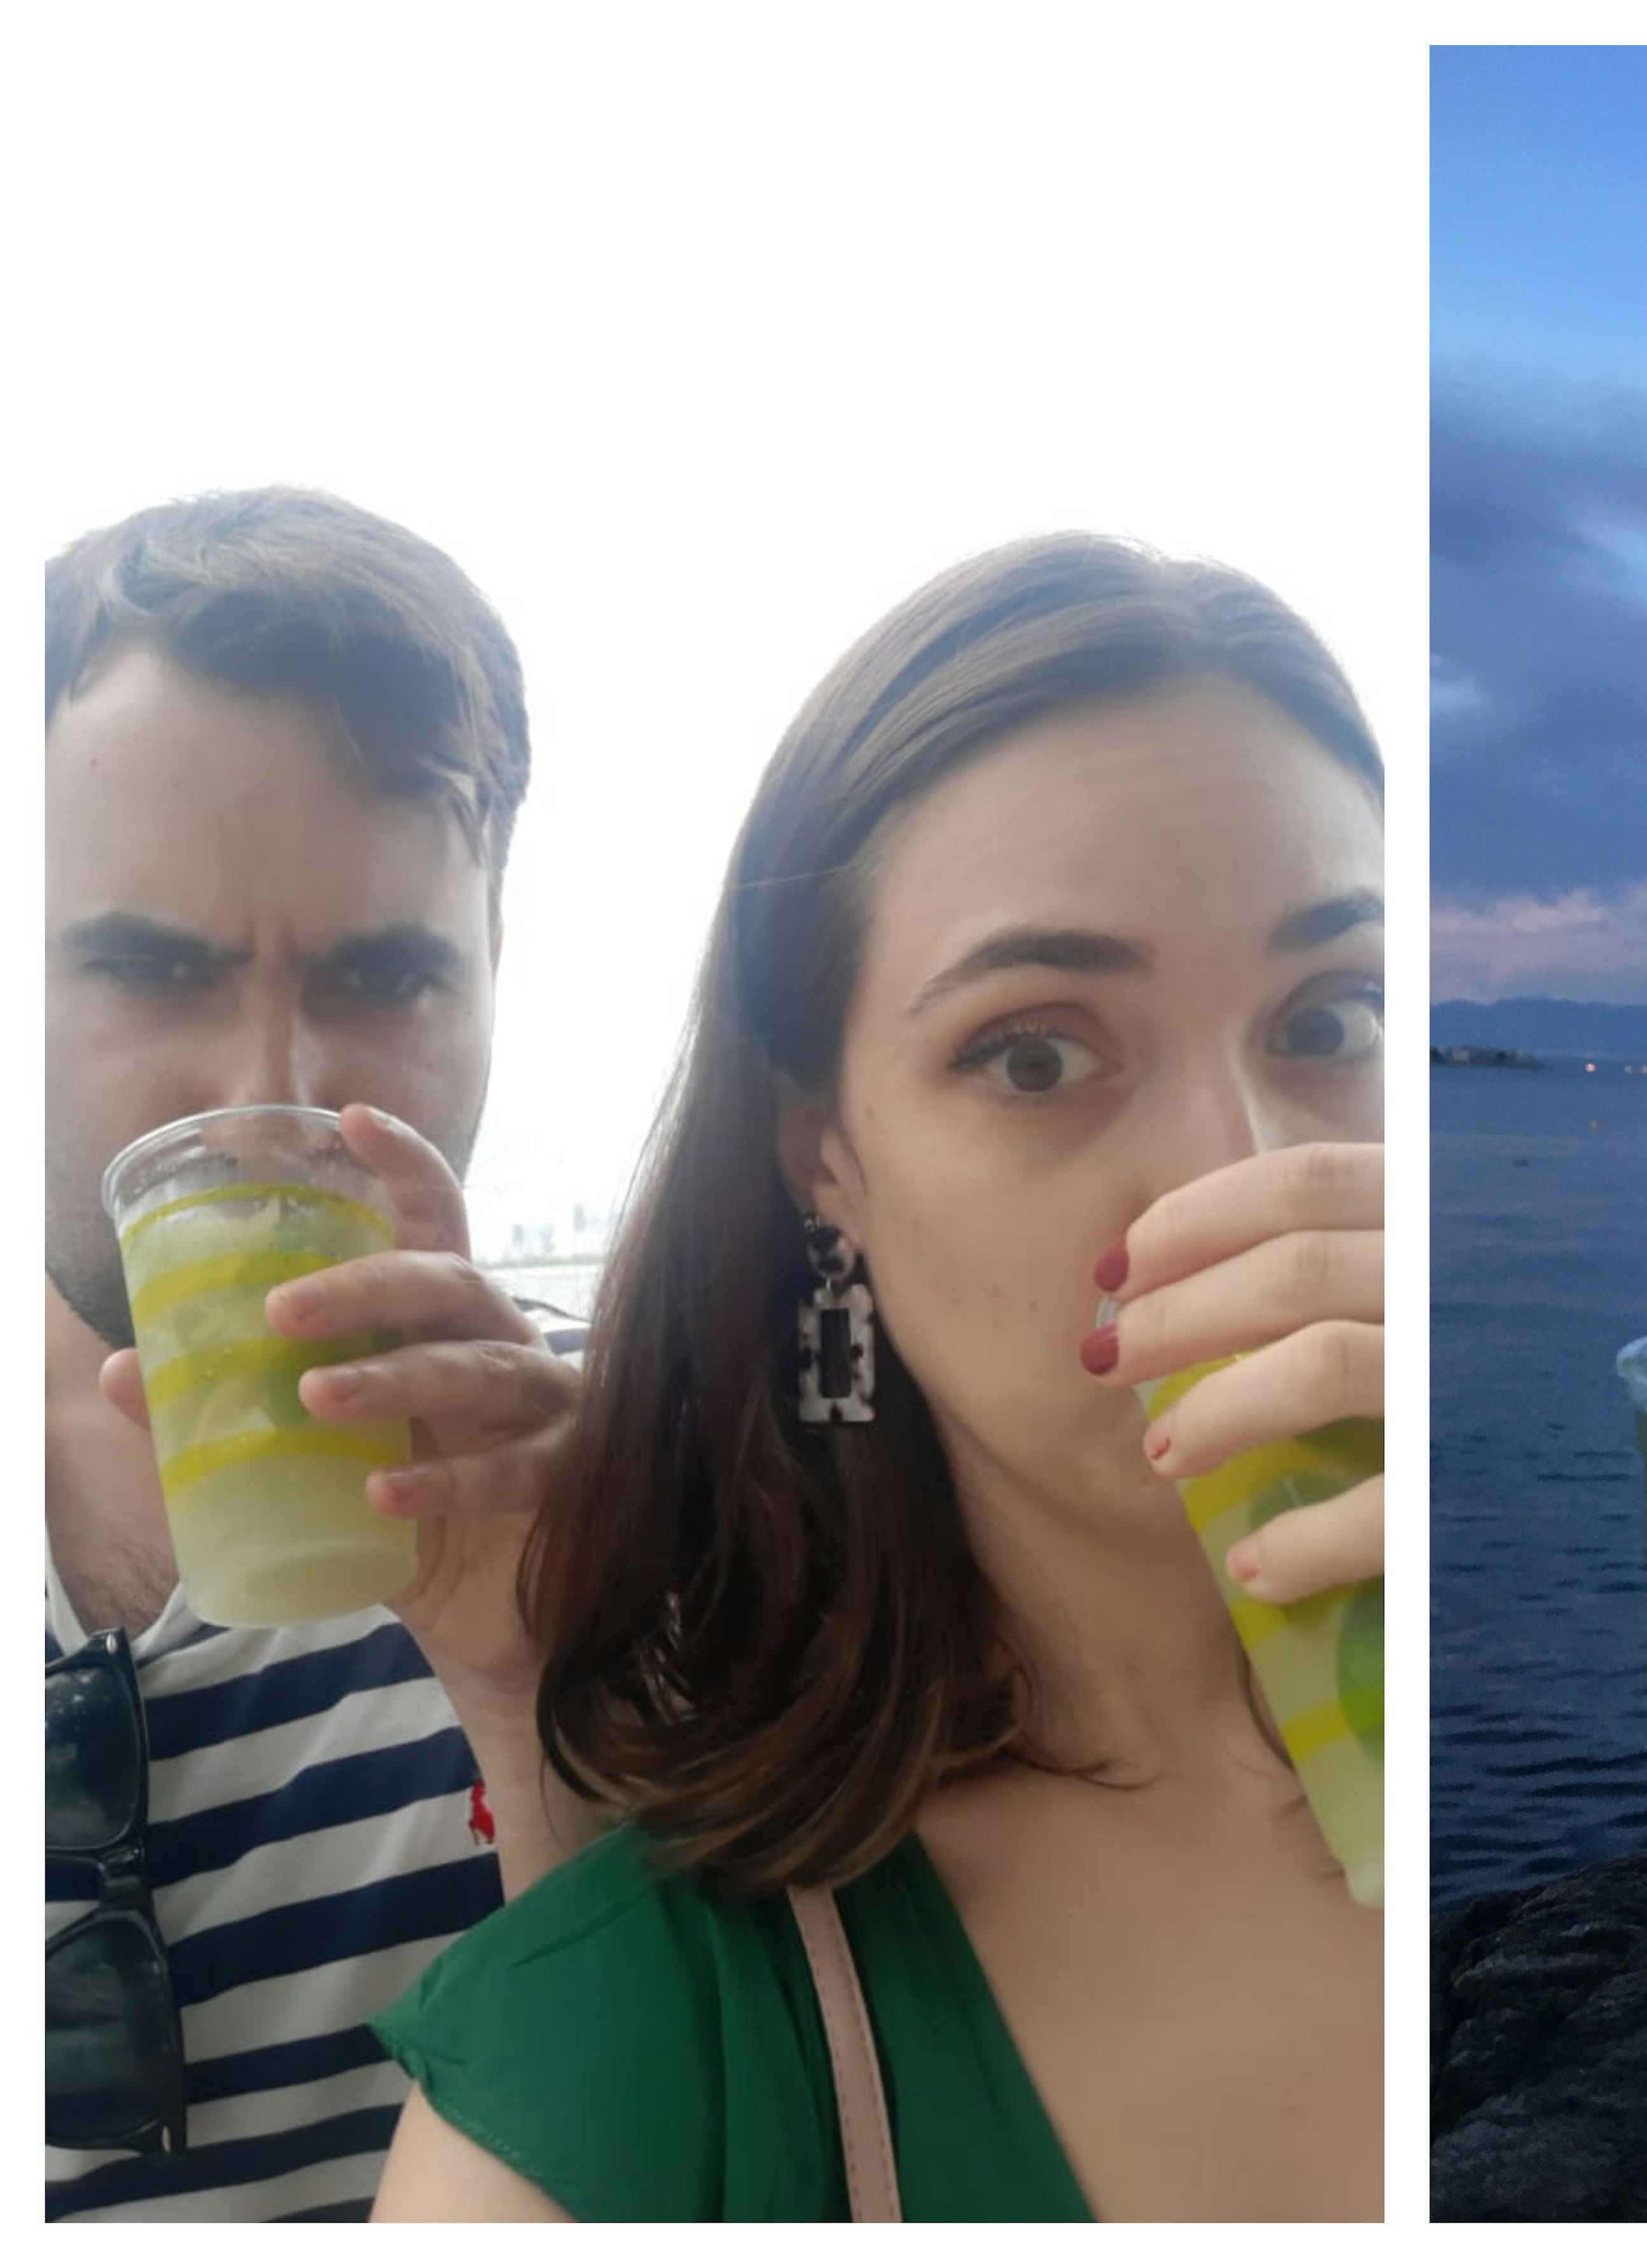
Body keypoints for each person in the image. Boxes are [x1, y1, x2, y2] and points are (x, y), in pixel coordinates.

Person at [370, 532, 1387, 2221]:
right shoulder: (617, 2061)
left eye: (1332, 1019)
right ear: (823, 1157)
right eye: (1036, 1054)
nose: (1234, 1171)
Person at [44, 489, 594, 2220]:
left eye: (383, 977)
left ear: (495, 974)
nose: (262, 1095)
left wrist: (558, 1710)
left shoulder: (668, 1486)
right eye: (143, 963)